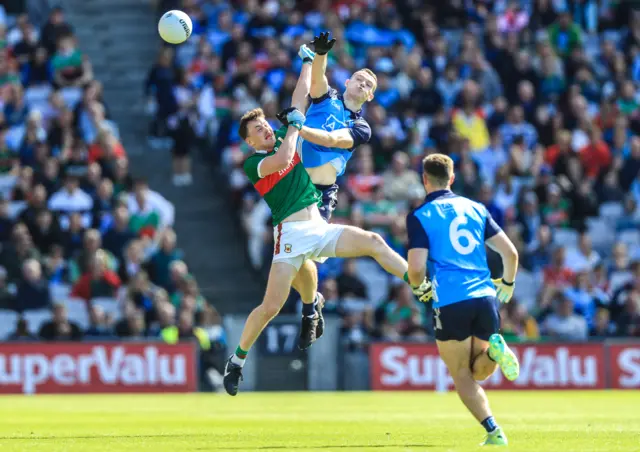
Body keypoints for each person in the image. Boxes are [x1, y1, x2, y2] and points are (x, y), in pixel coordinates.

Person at [222, 105, 430, 397]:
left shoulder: (283, 134)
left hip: (318, 227)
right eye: (258, 130)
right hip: (290, 235)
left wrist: (309, 62)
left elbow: (298, 96)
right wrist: (295, 125)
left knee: (374, 242)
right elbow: (283, 158)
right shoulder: (254, 163)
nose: (266, 129)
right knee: (271, 307)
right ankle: (236, 361)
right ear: (250, 142)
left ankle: (419, 284)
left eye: (266, 125)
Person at [406, 153, 520, 446]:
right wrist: (507, 282)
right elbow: (510, 253)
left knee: (461, 375)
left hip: (451, 300)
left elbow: (416, 267)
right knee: (477, 369)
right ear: (452, 178)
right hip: (485, 297)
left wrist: (419, 288)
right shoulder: (476, 208)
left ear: (424, 179)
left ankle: (494, 432)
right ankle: (496, 352)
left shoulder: (420, 215)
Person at [279, 32, 375, 221]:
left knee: (313, 245)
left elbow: (332, 140)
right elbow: (317, 80)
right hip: (295, 181)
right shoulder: (327, 98)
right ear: (347, 83)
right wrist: (321, 54)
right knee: (291, 244)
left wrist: (298, 127)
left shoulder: (362, 127)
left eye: (368, 85)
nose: (362, 84)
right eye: (358, 79)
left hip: (321, 193)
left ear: (370, 96)